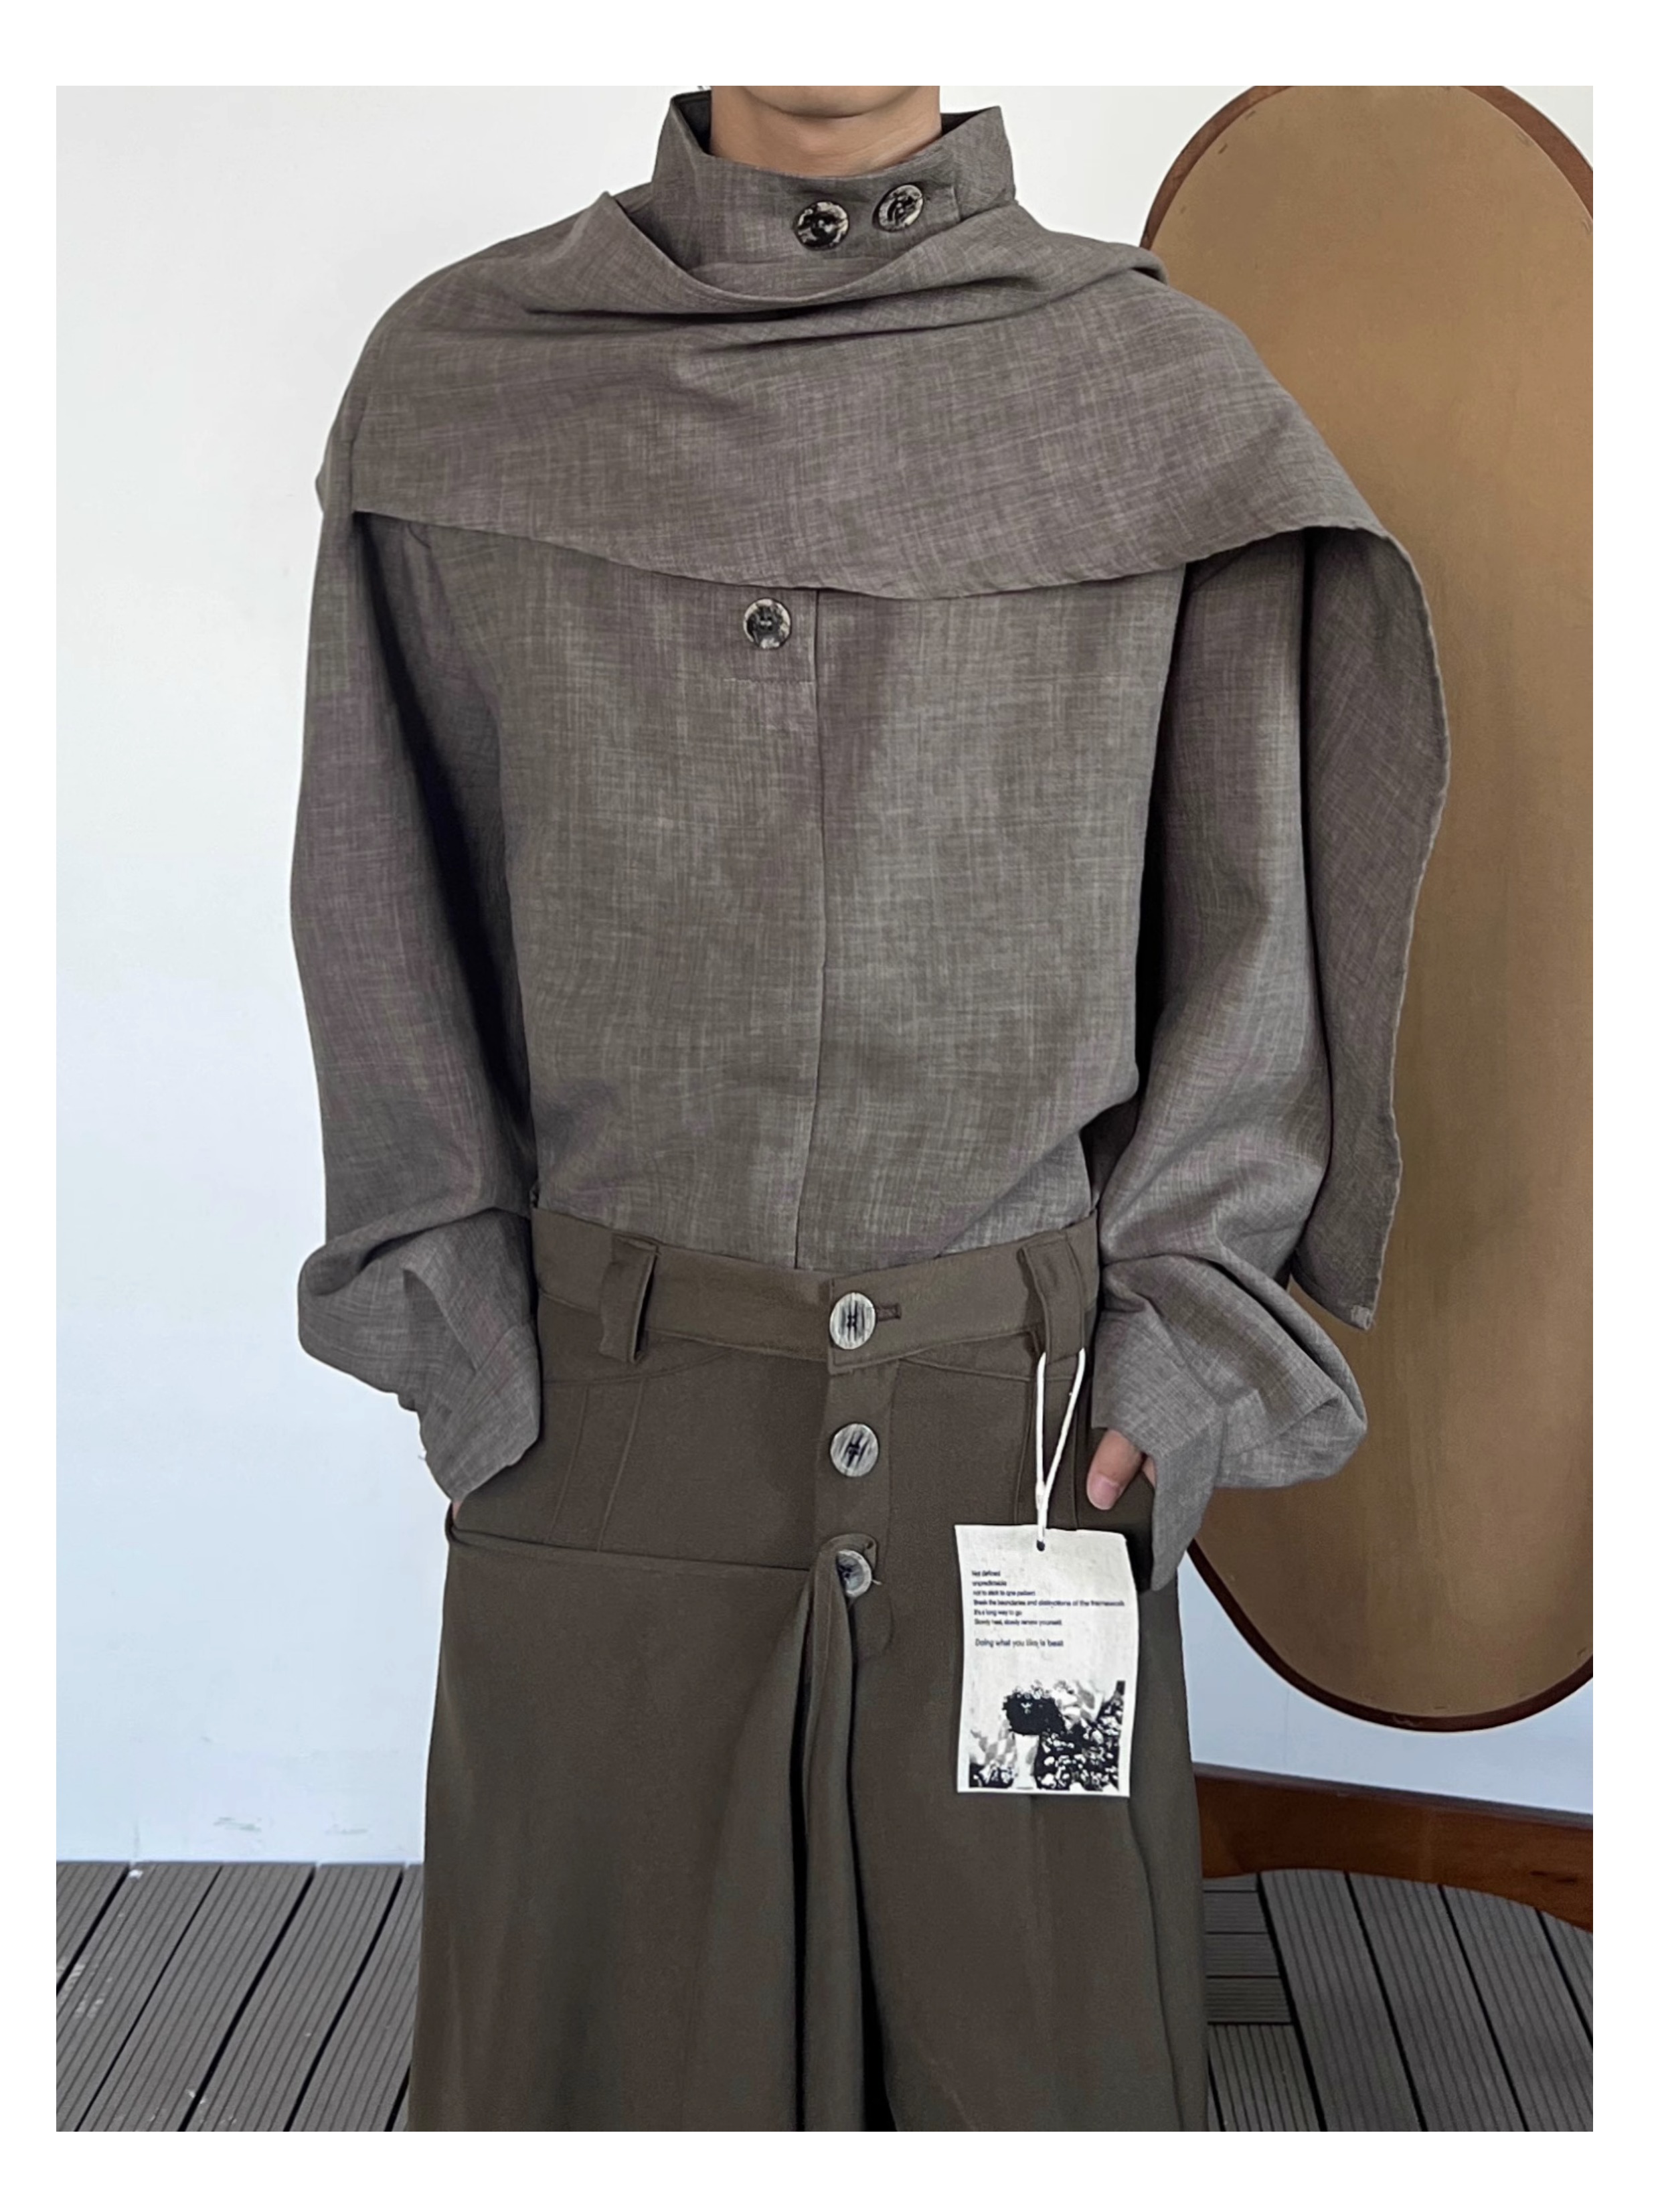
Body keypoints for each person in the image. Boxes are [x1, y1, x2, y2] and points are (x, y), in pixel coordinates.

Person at [290, 84, 1449, 2130]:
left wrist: (1176, 1354)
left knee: (1043, 2093)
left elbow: (1253, 935)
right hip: (609, 1451)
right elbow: (379, 896)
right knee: (591, 2103)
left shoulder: (1152, 396)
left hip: (1034, 1461)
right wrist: (477, 1367)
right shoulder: (465, 379)